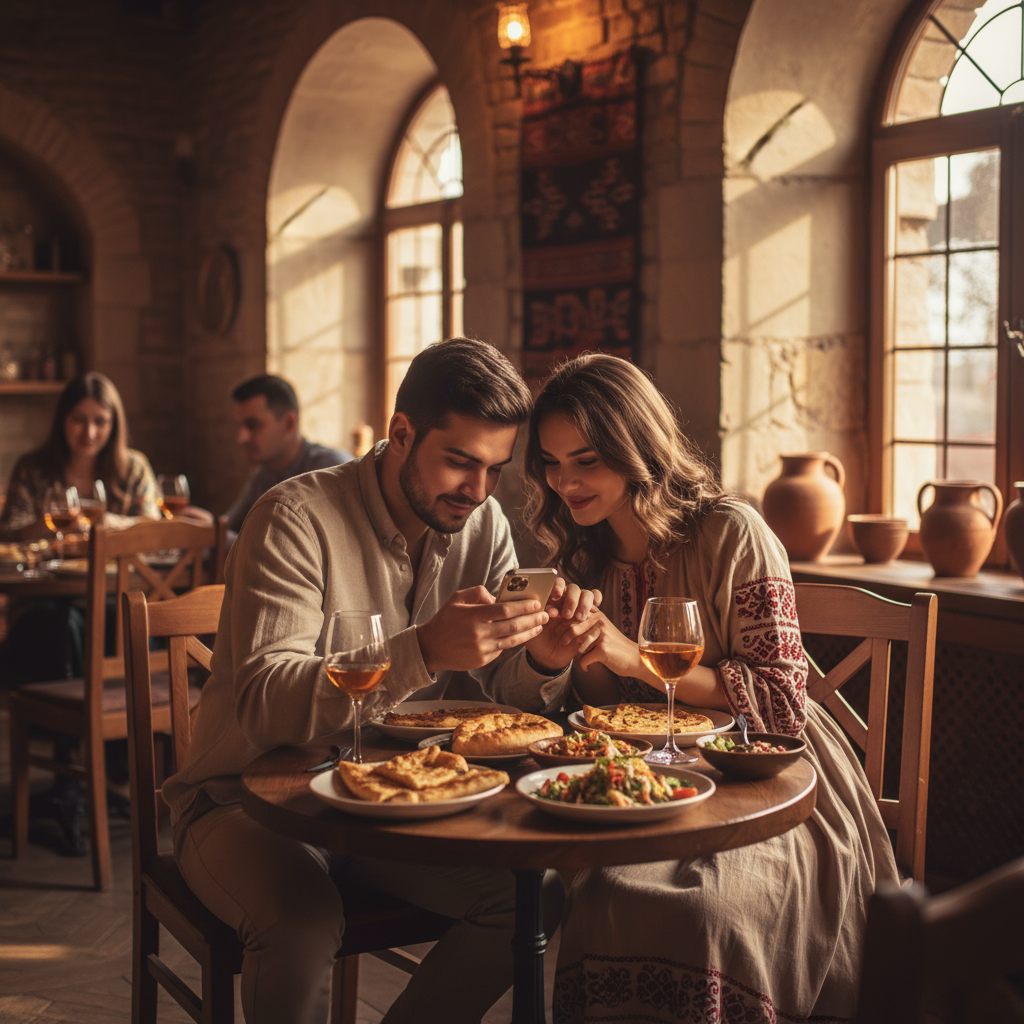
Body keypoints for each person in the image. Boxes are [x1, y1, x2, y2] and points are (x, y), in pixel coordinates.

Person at [163, 338, 601, 1024]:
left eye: (494, 469)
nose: (478, 491)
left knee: (533, 899)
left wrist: (543, 660)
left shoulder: (482, 522)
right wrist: (422, 651)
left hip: (396, 797)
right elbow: (264, 707)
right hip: (243, 802)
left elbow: (500, 701)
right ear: (401, 434)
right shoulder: (293, 517)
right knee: (303, 922)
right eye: (459, 461)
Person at [523, 353, 900, 1024]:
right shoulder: (582, 554)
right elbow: (606, 712)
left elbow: (782, 701)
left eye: (587, 460)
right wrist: (575, 654)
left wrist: (636, 657)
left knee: (705, 910)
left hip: (767, 774)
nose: (566, 482)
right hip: (648, 779)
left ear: (637, 449)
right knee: (612, 896)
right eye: (551, 463)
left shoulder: (733, 531)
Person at [0, 371, 160, 541]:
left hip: (117, 559)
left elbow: (154, 529)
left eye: (100, 422)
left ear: (113, 425)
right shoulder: (31, 468)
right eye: (79, 420)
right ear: (63, 419)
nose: (89, 433)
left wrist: (107, 522)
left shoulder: (134, 468)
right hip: (48, 559)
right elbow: (7, 534)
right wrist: (50, 524)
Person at [224, 373, 352, 537]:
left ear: (289, 423)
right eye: (240, 426)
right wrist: (211, 528)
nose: (241, 438)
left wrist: (216, 536)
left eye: (253, 425)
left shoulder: (330, 469)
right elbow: (230, 527)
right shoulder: (263, 474)